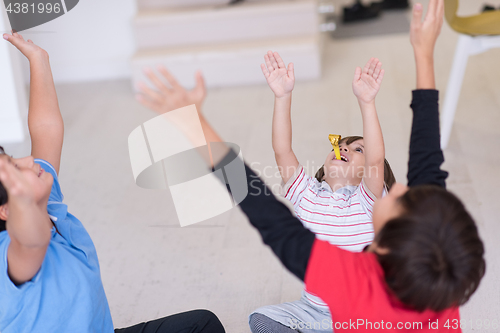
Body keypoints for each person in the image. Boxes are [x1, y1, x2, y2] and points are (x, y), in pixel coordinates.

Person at [137, 0, 485, 331]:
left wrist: (193, 124)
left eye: (400, 200)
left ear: (385, 245)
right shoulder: (436, 275)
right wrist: (424, 52)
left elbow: (266, 214)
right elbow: (428, 159)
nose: (403, 188)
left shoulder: (350, 280)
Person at [0, 32, 225, 333]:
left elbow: (46, 129)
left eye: (15, 158)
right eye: (16, 171)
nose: (30, 160)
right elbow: (32, 240)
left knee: (203, 325)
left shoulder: (48, 202)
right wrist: (23, 199)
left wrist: (39, 60)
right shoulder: (10, 258)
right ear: (6, 210)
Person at [249, 50, 394, 332]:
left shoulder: (368, 201)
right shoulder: (306, 194)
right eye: (340, 146)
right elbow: (282, 150)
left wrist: (367, 102)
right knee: (261, 318)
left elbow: (376, 159)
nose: (344, 148)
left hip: (363, 312)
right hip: (311, 309)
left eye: (357, 149)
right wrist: (282, 97)